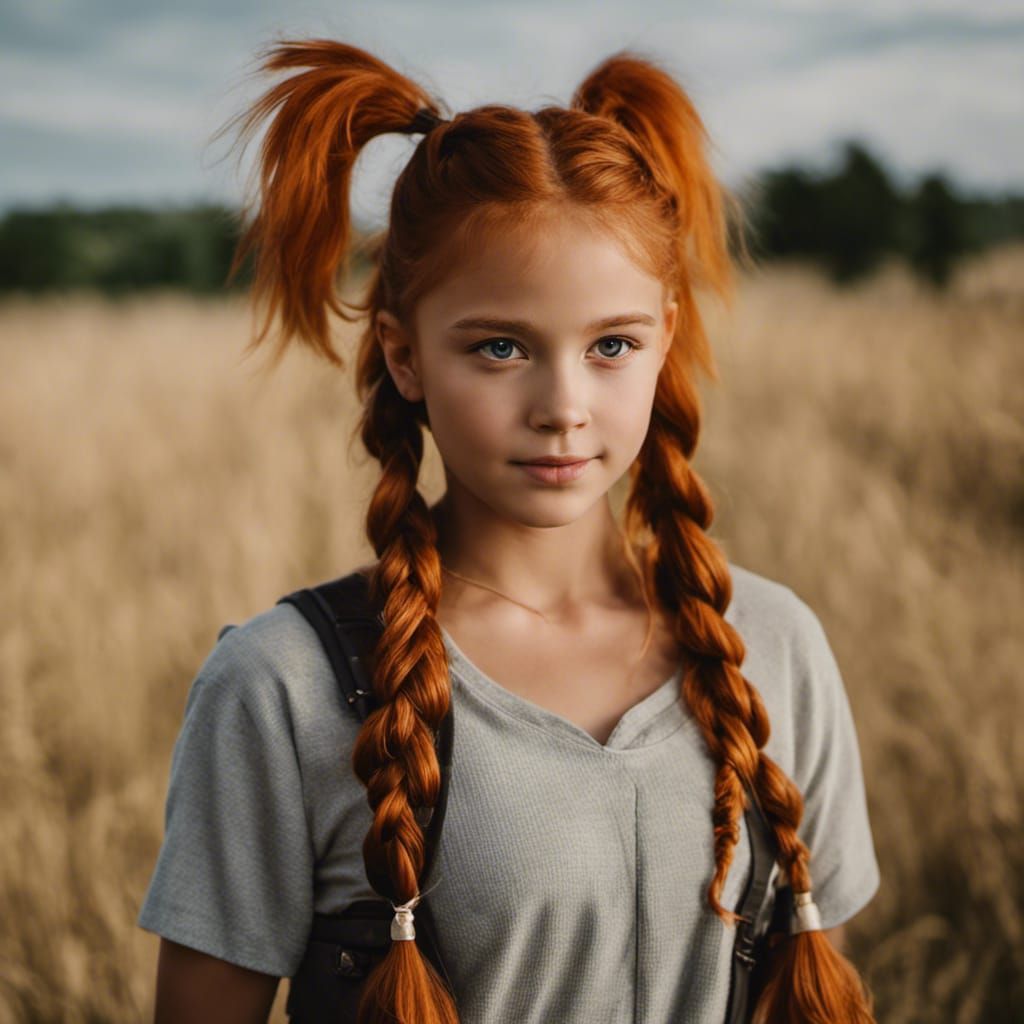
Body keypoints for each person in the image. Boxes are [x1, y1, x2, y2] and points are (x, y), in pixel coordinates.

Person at [137, 37, 881, 1024]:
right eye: (499, 347)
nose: (563, 405)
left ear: (665, 334)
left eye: (611, 344)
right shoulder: (281, 688)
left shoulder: (774, 646)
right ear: (403, 357)